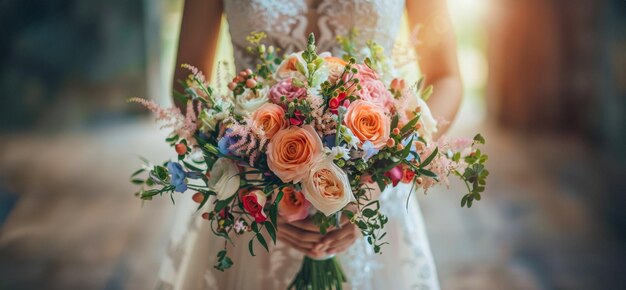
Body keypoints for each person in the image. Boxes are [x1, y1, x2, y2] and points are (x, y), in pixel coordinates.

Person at [158, 0, 461, 289]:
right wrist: (256, 184)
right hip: (252, 197)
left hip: (376, 198)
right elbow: (188, 82)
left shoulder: (376, 187)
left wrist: (379, 177)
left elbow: (446, 77)